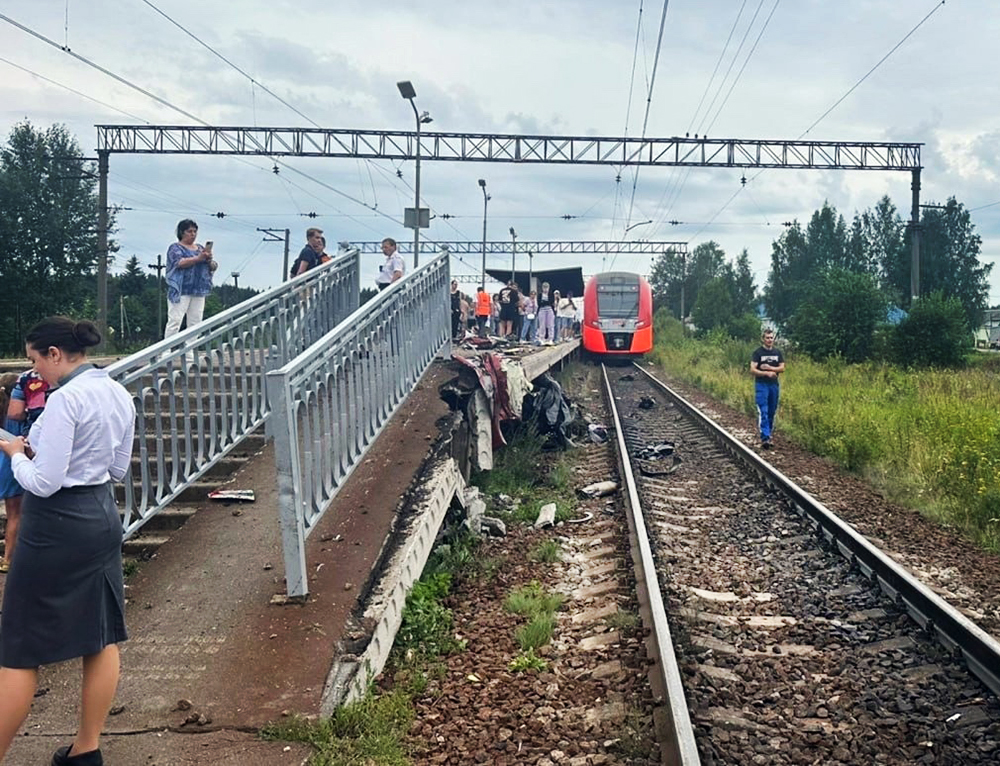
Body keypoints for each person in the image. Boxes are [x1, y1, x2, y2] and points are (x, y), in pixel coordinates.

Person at [0, 317, 136, 766]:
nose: (34, 370)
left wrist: (17, 455)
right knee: (100, 635)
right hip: (99, 517)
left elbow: (43, 482)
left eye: (36, 360)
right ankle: (86, 750)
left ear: (55, 354)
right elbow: (117, 469)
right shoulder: (117, 392)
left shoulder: (64, 400)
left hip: (54, 527)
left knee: (19, 648)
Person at [164, 219, 214, 338]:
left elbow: (212, 267)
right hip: (181, 289)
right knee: (175, 321)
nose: (193, 234)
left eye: (195, 231)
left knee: (195, 322)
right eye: (189, 231)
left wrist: (208, 260)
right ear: (182, 232)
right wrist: (198, 258)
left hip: (199, 289)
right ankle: (166, 351)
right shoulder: (175, 248)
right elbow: (179, 263)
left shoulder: (200, 248)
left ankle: (190, 351)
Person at [0, 373, 23, 574]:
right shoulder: (18, 415)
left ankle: (8, 557)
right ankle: (9, 557)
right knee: (16, 515)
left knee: (12, 513)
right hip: (13, 464)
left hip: (4, 466)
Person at [750, 328, 785, 449]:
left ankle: (769, 434)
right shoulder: (758, 353)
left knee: (772, 410)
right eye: (767, 338)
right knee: (763, 410)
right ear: (763, 339)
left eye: (771, 338)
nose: (769, 340)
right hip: (762, 384)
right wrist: (765, 373)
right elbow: (753, 369)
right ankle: (765, 437)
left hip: (774, 385)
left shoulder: (777, 353)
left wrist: (770, 368)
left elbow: (782, 367)